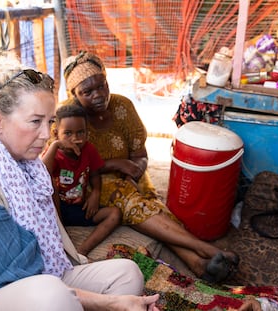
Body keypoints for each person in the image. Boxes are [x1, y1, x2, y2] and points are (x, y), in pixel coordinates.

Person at [0, 56, 160, 311]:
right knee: (51, 296)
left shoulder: (26, 166)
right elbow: (18, 275)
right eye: (35, 121)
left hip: (36, 280)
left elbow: (43, 264)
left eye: (50, 122)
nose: (47, 135)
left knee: (127, 274)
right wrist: (111, 302)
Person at [60, 50, 240, 284]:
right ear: (74, 94)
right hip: (90, 185)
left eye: (102, 86)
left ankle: (199, 264)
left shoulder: (122, 106)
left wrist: (136, 169)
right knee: (131, 201)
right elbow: (71, 166)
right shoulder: (69, 119)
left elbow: (140, 155)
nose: (99, 95)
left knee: (155, 211)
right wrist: (116, 164)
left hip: (128, 178)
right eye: (87, 92)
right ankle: (205, 249)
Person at [41, 104, 122, 256]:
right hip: (56, 211)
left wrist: (96, 192)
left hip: (80, 208)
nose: (75, 139)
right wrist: (56, 145)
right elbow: (41, 173)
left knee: (115, 214)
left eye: (80, 133)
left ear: (87, 133)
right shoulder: (54, 153)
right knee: (50, 183)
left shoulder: (89, 150)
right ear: (56, 133)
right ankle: (61, 234)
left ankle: (82, 251)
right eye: (68, 133)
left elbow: (94, 174)